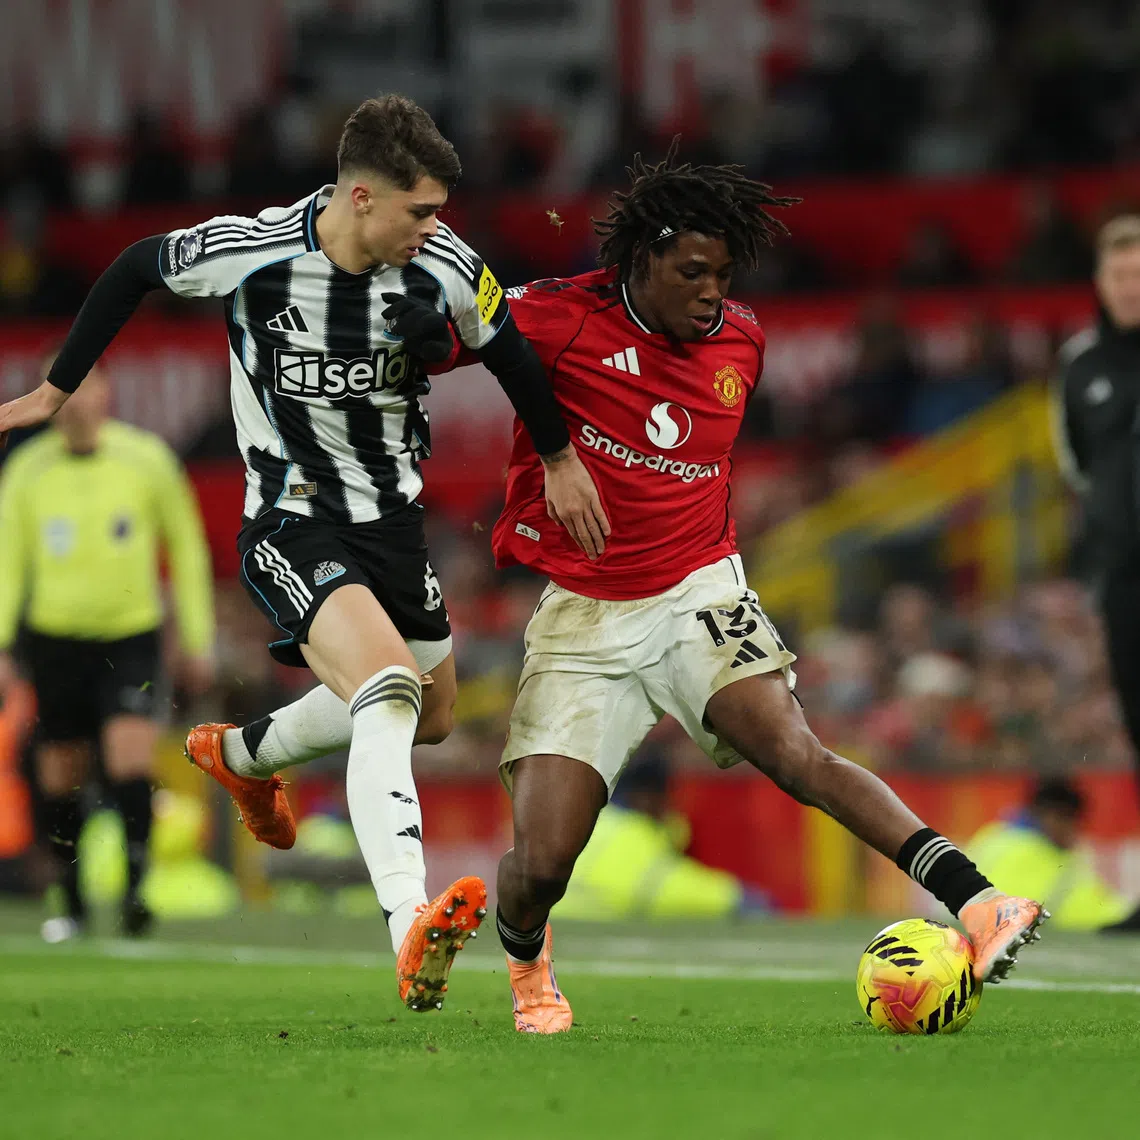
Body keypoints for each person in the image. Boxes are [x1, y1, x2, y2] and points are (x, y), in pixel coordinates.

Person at [178, 145, 1049, 1035]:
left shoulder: (741, 340)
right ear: (642, 263)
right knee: (543, 864)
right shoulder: (558, 317)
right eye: (693, 273)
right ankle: (526, 964)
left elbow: (678, 456)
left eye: (723, 273)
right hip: (584, 620)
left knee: (796, 752)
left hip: (699, 593)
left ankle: (979, 904)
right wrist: (407, 325)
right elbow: (453, 337)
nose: (714, 293)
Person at [0, 94, 608, 1013]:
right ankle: (409, 926)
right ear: (361, 196)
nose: (433, 229)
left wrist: (560, 458)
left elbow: (511, 353)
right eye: (419, 211)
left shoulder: (444, 266)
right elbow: (133, 268)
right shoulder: (255, 249)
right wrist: (53, 392)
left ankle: (241, 756)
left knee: (433, 714)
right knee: (391, 690)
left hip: (392, 526)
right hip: (291, 522)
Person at [0, 358, 215, 940]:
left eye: (86, 384)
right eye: (63, 387)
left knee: (129, 760)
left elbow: (188, 551)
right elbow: (8, 564)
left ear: (105, 391)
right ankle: (69, 901)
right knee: (59, 775)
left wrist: (198, 638)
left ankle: (135, 890)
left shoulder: (147, 459)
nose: (76, 398)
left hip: (131, 636)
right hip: (53, 641)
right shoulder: (25, 471)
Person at [1051, 215, 1140, 808]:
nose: (1129, 285)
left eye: (1139, 273)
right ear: (1099, 281)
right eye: (1118, 273)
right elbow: (1076, 462)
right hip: (1125, 574)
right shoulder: (1079, 362)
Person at [966, 777, 1135, 933]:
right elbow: (1082, 908)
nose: (1074, 831)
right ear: (1051, 816)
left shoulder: (993, 835)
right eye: (1070, 820)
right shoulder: (1036, 852)